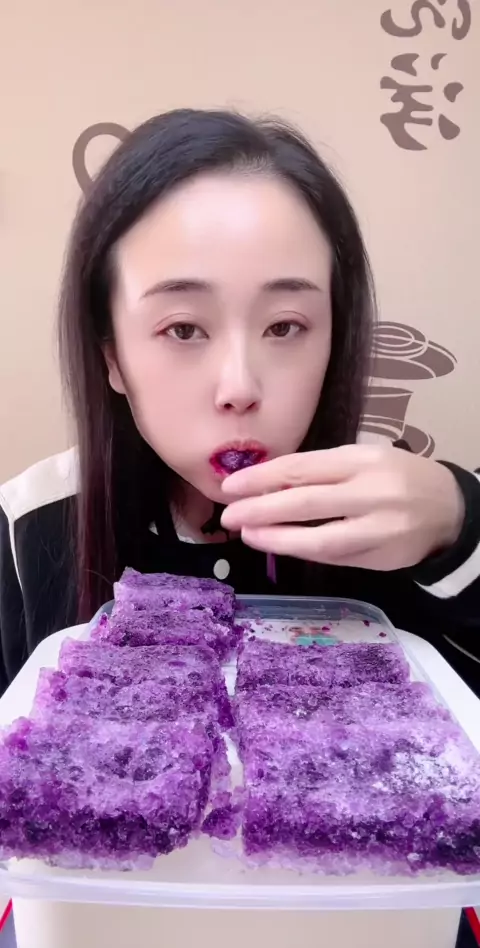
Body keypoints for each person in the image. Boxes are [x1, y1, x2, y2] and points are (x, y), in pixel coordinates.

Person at [0, 109, 479, 698]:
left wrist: (460, 528)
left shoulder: (400, 512)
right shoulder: (27, 527)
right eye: (183, 329)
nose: (239, 388)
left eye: (284, 326)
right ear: (113, 358)